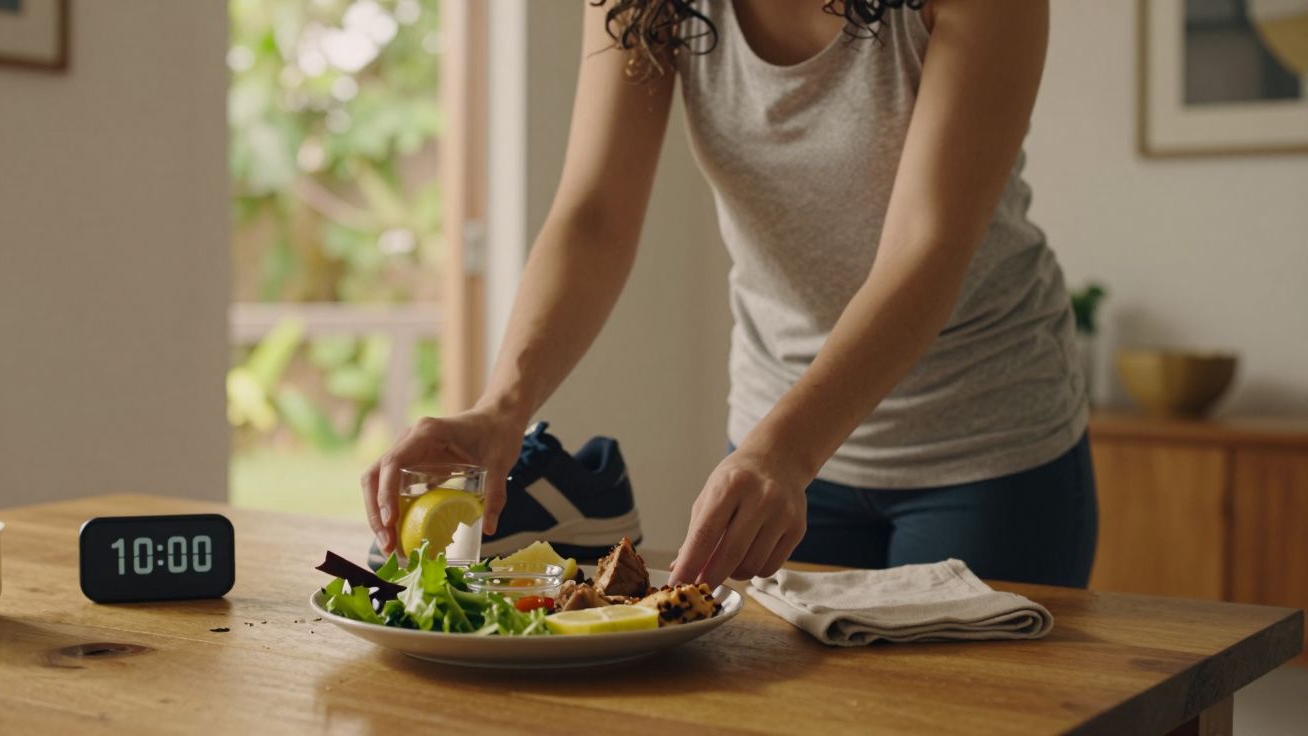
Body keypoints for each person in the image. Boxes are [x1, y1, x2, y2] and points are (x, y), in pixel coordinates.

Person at [361, 0, 1096, 590]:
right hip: (776, 438)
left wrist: (784, 452)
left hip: (984, 448)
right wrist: (503, 408)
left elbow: (925, 248)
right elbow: (594, 217)